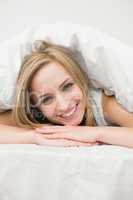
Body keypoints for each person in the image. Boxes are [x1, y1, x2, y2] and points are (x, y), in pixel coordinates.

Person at [0, 40, 133, 148]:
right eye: (46, 99)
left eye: (67, 86)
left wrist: (96, 133)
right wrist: (33, 136)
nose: (63, 106)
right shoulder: (37, 113)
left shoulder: (104, 105)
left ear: (80, 79)